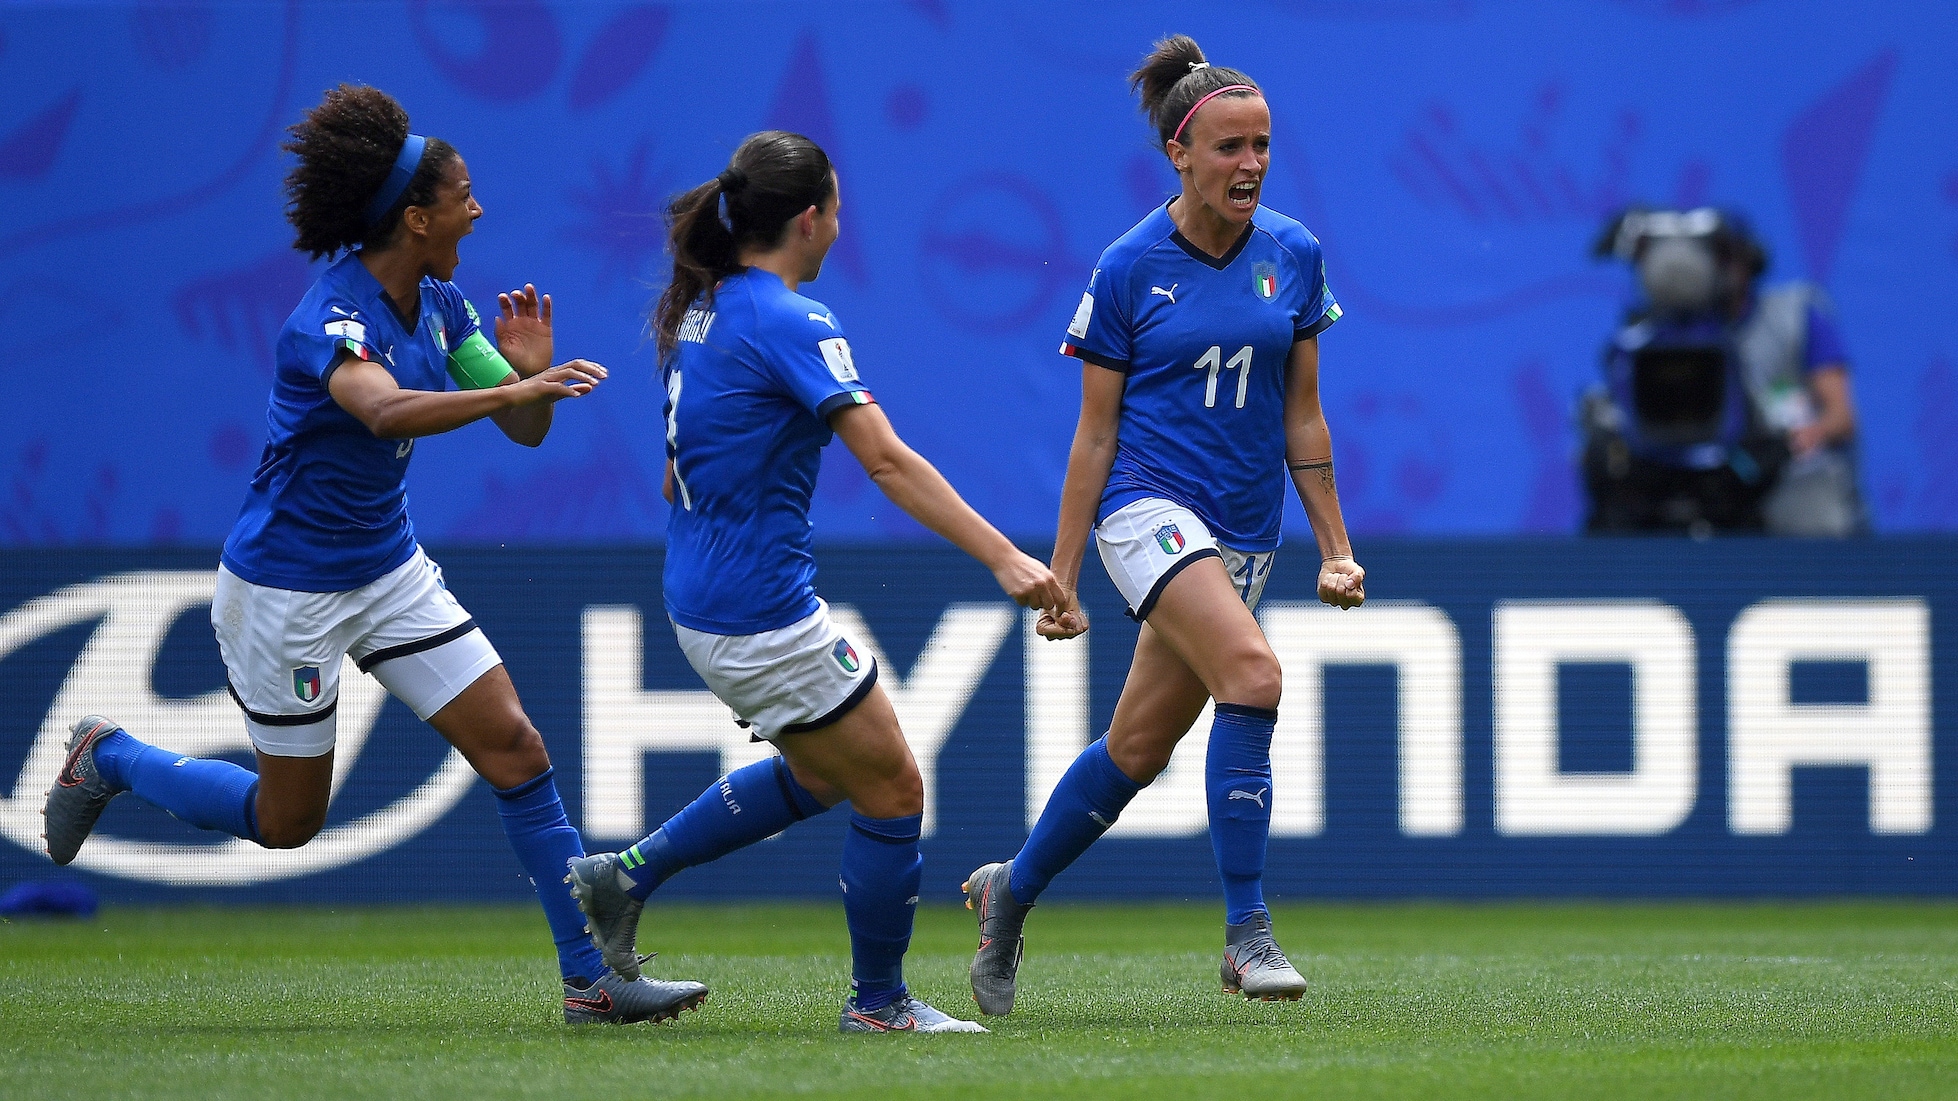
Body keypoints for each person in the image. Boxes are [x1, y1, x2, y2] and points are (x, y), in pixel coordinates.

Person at [40, 85, 705, 1025]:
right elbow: (384, 409)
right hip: (286, 591)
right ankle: (110, 757)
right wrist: (519, 390)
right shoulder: (330, 316)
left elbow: (525, 432)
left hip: (387, 570)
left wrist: (526, 378)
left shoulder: (441, 302)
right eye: (464, 196)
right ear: (416, 217)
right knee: (287, 822)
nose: (479, 210)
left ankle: (590, 980)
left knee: (517, 748)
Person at [564, 130, 1069, 1035]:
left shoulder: (702, 310)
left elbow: (676, 477)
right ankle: (878, 1004)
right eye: (837, 206)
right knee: (895, 788)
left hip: (704, 593)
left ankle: (627, 875)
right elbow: (886, 461)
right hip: (757, 610)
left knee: (827, 771)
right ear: (810, 219)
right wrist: (1005, 557)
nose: (842, 222)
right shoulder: (792, 320)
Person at [961, 35, 1365, 1016]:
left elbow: (1302, 416)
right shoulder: (1129, 266)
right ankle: (1246, 934)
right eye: (1229, 147)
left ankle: (1008, 891)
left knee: (1136, 749)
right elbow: (1095, 436)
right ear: (1178, 155)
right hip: (1146, 510)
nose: (1250, 164)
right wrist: (1061, 573)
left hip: (1245, 530)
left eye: (1261, 145)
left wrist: (1337, 548)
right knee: (1253, 675)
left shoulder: (1294, 254)